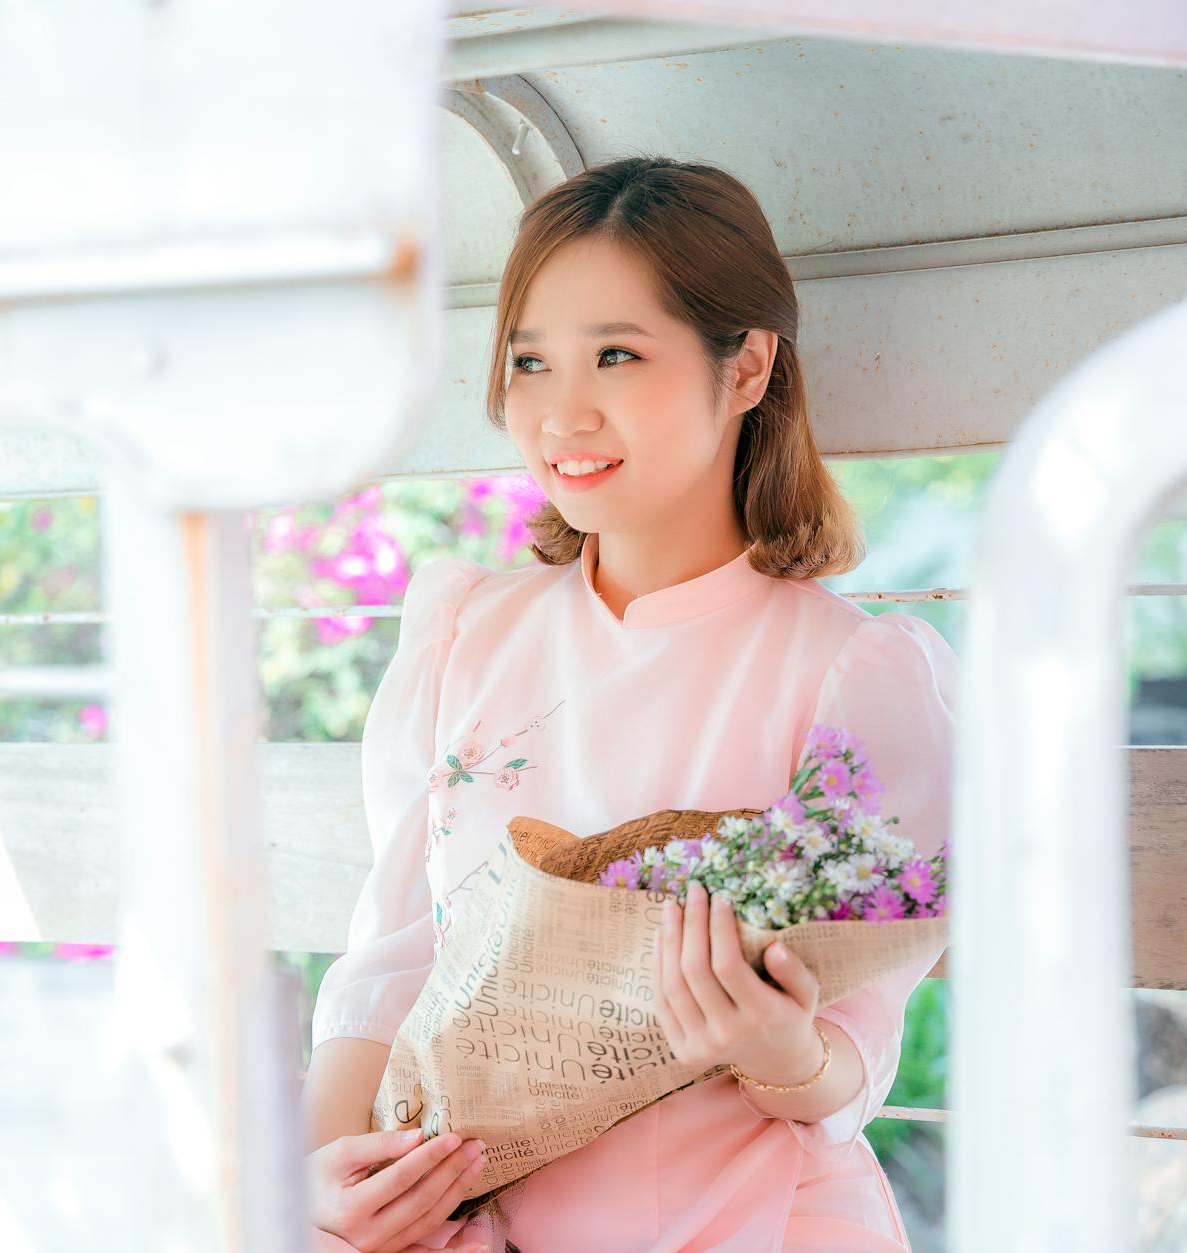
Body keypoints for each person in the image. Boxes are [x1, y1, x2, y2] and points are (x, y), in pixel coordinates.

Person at [300, 157, 957, 1252]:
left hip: (750, 1220)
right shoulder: (465, 634)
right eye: (530, 361)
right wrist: (321, 1185)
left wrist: (777, 1047)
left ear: (747, 366)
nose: (562, 412)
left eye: (616, 354)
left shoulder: (854, 674)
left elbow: (858, 1051)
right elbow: (391, 965)